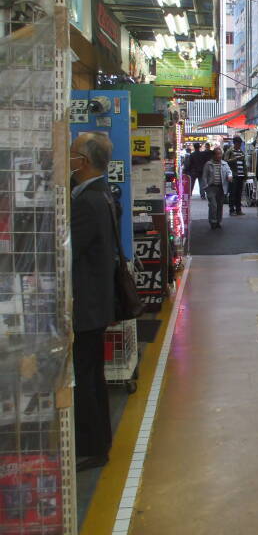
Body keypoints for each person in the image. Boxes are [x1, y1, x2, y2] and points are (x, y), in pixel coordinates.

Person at [69, 132, 117, 470]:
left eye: (72, 153)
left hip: (86, 303)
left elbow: (72, 251)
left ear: (83, 161)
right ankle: (99, 440)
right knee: (92, 374)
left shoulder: (87, 200)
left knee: (85, 377)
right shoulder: (100, 194)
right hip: (96, 301)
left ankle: (92, 446)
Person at [202, 147, 233, 229]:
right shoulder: (208, 164)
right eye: (218, 154)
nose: (219, 156)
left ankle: (218, 221)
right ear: (214, 155)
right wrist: (205, 187)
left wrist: (229, 176)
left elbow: (229, 171)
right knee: (213, 205)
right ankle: (213, 221)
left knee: (220, 205)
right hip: (211, 188)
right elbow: (204, 177)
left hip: (221, 188)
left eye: (220, 154)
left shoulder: (224, 164)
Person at [223, 135, 247, 216]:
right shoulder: (229, 151)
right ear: (235, 143)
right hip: (233, 176)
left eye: (240, 144)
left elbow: (244, 164)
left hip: (241, 176)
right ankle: (231, 210)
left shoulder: (241, 152)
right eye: (239, 144)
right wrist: (235, 159)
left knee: (239, 194)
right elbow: (225, 162)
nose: (240, 145)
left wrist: (245, 175)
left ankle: (238, 210)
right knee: (232, 193)